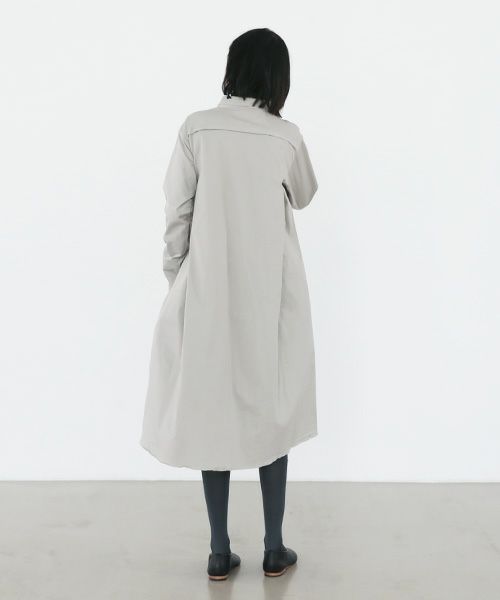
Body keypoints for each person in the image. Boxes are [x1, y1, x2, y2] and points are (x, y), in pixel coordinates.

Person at [140, 27, 318, 581]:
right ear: (278, 77)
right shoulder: (286, 136)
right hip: (270, 292)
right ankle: (274, 548)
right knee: (273, 408)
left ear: (232, 68)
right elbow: (306, 194)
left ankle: (219, 552)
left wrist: (178, 275)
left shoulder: (197, 128)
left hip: (208, 289)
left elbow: (177, 211)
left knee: (210, 410)